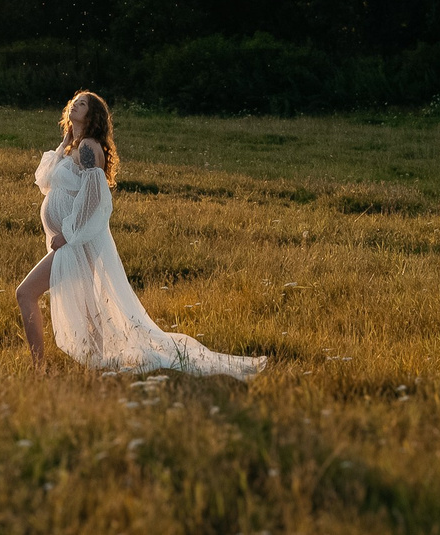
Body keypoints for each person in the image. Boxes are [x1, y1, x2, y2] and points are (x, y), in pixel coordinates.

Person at [13, 90, 266, 379]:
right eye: (74, 102)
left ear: (93, 116)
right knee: (88, 311)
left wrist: (68, 234)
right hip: (70, 242)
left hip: (76, 243)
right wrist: (65, 141)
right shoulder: (75, 146)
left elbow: (96, 199)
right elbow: (46, 182)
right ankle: (98, 368)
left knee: (25, 294)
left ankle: (38, 368)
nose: (75, 105)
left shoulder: (88, 148)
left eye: (82, 104)